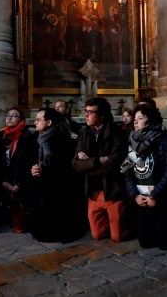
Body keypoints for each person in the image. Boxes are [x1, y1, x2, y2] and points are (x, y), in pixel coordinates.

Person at [72, 97, 132, 242]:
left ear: (102, 115)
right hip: (93, 192)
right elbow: (75, 164)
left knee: (118, 237)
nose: (86, 115)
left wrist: (88, 164)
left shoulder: (117, 133)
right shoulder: (84, 133)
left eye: (91, 112)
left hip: (113, 190)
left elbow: (114, 166)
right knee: (97, 235)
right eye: (86, 111)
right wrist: (99, 160)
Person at [124, 104, 167, 250]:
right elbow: (128, 172)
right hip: (141, 198)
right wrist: (135, 195)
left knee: (164, 244)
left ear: (151, 121)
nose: (135, 122)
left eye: (140, 118)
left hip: (161, 197)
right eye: (135, 119)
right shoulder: (133, 142)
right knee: (145, 242)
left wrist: (155, 195)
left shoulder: (164, 141)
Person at [30, 107, 84, 243]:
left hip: (60, 186)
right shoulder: (37, 139)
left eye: (38, 119)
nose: (35, 122)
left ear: (49, 122)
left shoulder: (62, 140)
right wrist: (35, 167)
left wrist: (45, 170)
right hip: (43, 184)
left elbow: (66, 165)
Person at [0, 107, 37, 233]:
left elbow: (30, 163)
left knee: (21, 222)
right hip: (6, 181)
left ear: (22, 120)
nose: (9, 117)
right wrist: (2, 181)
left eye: (14, 115)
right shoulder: (3, 137)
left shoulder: (28, 138)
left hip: (22, 183)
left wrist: (20, 184)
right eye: (8, 115)